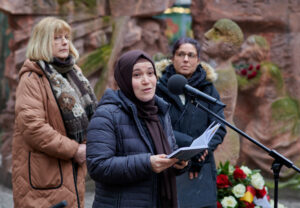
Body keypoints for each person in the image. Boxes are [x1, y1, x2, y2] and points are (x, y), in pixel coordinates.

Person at [12, 17, 97, 208]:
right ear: (42, 42)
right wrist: (74, 150)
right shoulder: (32, 78)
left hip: (73, 173)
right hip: (44, 179)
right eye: (57, 38)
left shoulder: (74, 74)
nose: (65, 42)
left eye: (66, 37)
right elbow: (33, 128)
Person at [86, 50, 187, 208]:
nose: (146, 81)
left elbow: (168, 150)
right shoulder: (106, 115)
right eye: (137, 75)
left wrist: (177, 162)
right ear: (124, 79)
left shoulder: (159, 111)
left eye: (150, 73)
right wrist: (147, 163)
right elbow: (98, 166)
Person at [156, 37, 226, 208]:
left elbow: (219, 127)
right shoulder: (158, 88)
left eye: (190, 55)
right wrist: (191, 147)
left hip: (201, 169)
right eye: (181, 54)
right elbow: (157, 126)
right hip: (168, 165)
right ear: (172, 58)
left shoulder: (208, 89)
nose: (185, 59)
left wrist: (203, 151)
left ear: (198, 60)